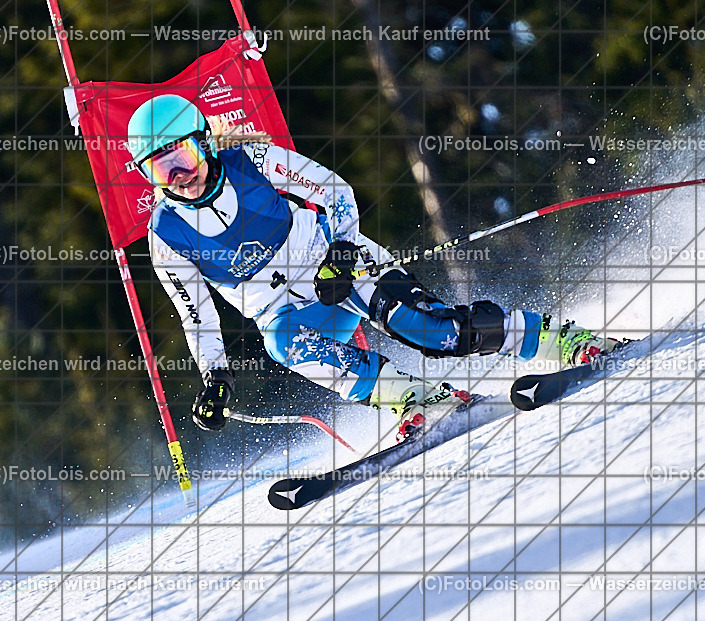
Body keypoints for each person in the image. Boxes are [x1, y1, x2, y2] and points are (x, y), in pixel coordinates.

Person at [127, 95, 617, 443]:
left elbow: (334, 191)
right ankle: (418, 399)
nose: (180, 177)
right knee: (282, 343)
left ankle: (563, 341)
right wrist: (215, 378)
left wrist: (341, 252)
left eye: (183, 156)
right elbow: (196, 317)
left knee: (434, 331)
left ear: (205, 144)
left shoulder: (251, 160)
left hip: (335, 267)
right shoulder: (165, 236)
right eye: (160, 169)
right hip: (288, 313)